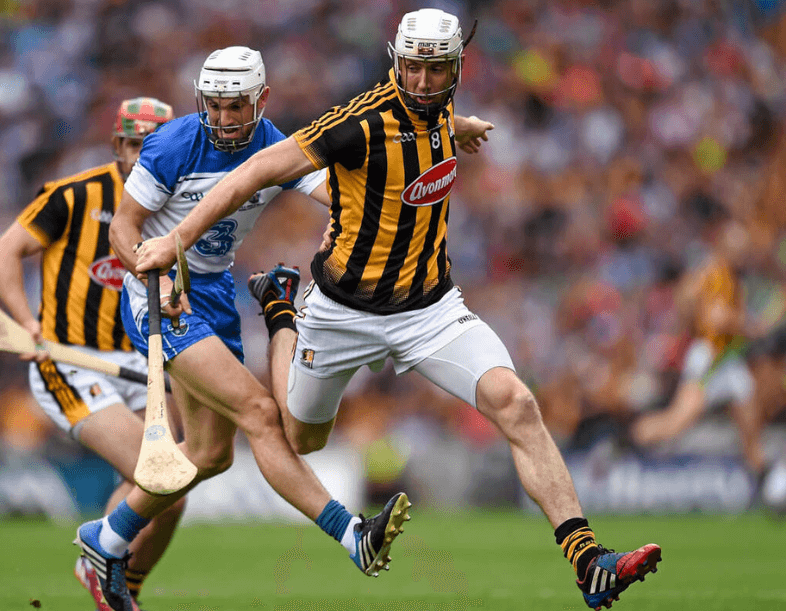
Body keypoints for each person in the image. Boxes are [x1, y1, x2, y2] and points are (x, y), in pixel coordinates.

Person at [134, 10, 662, 611]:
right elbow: (252, 172)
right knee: (302, 438)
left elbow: (428, 121)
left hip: (429, 309)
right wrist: (176, 240)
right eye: (410, 66)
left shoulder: (440, 113)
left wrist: (457, 125)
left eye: (434, 69)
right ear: (395, 60)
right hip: (341, 313)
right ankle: (281, 312)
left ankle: (589, 562)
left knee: (516, 402)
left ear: (455, 68)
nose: (420, 81)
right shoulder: (357, 124)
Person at [76, 46, 413, 611]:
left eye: (237, 107)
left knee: (209, 455)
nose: (226, 119)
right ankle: (352, 535)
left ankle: (105, 539)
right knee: (260, 413)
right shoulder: (172, 144)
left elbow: (335, 195)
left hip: (213, 293)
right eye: (215, 106)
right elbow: (125, 227)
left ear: (262, 101)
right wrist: (153, 276)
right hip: (160, 299)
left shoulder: (274, 143)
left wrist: (367, 219)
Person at [0, 97, 185, 610]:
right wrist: (25, 323)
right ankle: (97, 557)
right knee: (155, 473)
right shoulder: (73, 195)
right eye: (136, 145)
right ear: (117, 145)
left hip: (140, 363)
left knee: (175, 489)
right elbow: (3, 252)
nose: (145, 156)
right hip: (71, 362)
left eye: (156, 146)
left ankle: (123, 587)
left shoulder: (179, 204)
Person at [632, 220, 767, 477]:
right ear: (725, 247)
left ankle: (759, 474)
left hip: (728, 358)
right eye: (739, 248)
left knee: (748, 417)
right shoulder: (715, 273)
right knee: (677, 421)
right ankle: (625, 442)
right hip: (711, 357)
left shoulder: (727, 275)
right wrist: (748, 325)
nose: (744, 254)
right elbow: (713, 317)